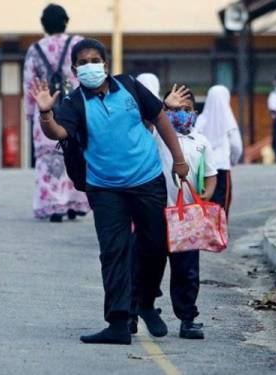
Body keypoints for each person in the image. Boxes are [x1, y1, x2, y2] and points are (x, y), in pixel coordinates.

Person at [29, 38, 190, 345]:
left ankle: (144, 303)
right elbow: (60, 133)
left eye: (95, 60)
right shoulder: (74, 103)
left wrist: (179, 160)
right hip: (105, 188)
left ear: (105, 64)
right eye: (83, 62)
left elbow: (159, 117)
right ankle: (118, 321)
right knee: (113, 252)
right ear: (75, 69)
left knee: (155, 247)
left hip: (147, 179)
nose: (90, 66)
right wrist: (46, 114)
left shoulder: (128, 86)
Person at [138, 83, 217, 340]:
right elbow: (148, 122)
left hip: (187, 217)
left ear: (195, 113)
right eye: (176, 109)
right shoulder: (159, 136)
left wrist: (206, 194)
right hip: (158, 213)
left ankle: (187, 319)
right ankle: (139, 307)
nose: (181, 113)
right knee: (150, 264)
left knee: (187, 270)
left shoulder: (201, 141)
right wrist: (163, 107)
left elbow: (212, 174)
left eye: (187, 109)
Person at [23, 3, 90, 222]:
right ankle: (74, 203)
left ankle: (53, 206)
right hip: (73, 109)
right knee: (74, 154)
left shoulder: (35, 49)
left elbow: (28, 84)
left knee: (47, 160)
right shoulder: (77, 43)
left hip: (46, 110)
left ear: (44, 25)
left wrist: (31, 114)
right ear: (65, 21)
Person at [195, 85, 242, 217]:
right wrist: (233, 160)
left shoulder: (200, 120)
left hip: (204, 169)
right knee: (222, 206)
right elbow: (236, 146)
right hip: (222, 167)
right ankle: (220, 234)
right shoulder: (229, 121)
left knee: (204, 203)